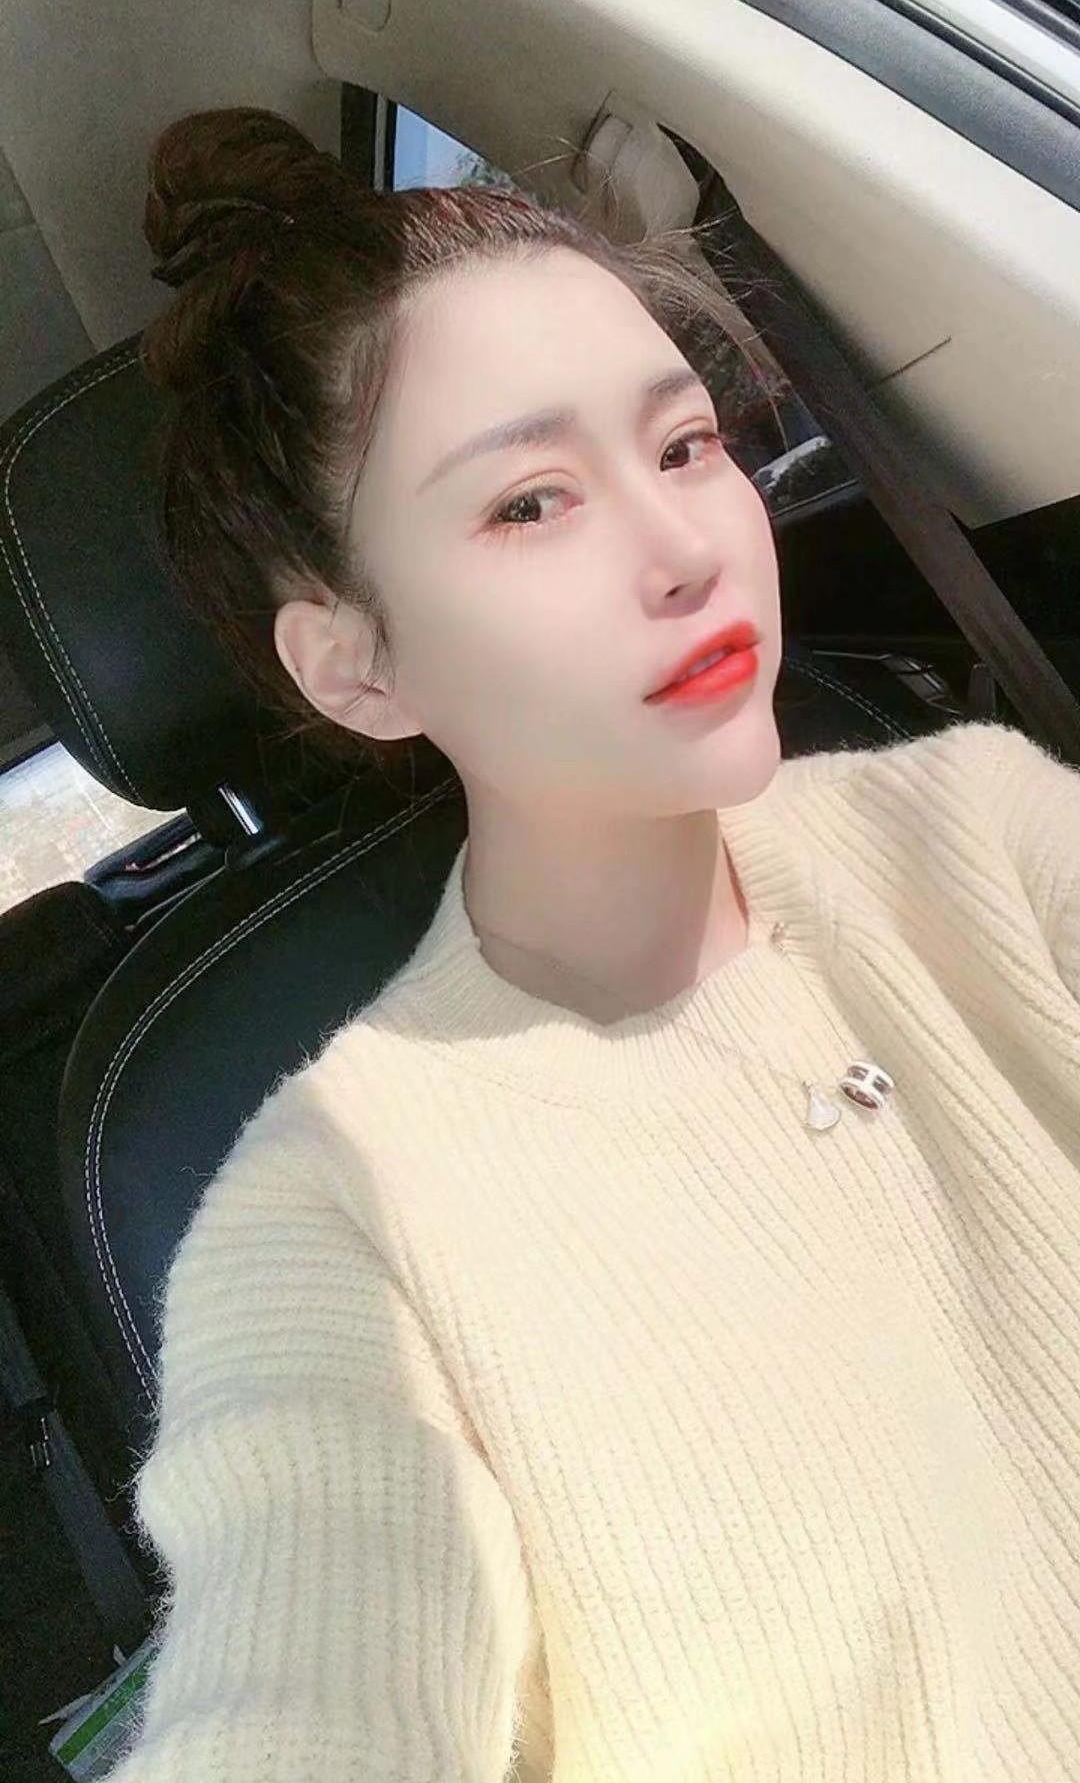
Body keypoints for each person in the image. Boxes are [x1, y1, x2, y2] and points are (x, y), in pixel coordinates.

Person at [104, 106, 1080, 1782]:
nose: (691, 547)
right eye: (532, 503)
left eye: (686, 445)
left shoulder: (971, 827)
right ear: (356, 667)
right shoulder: (331, 1228)